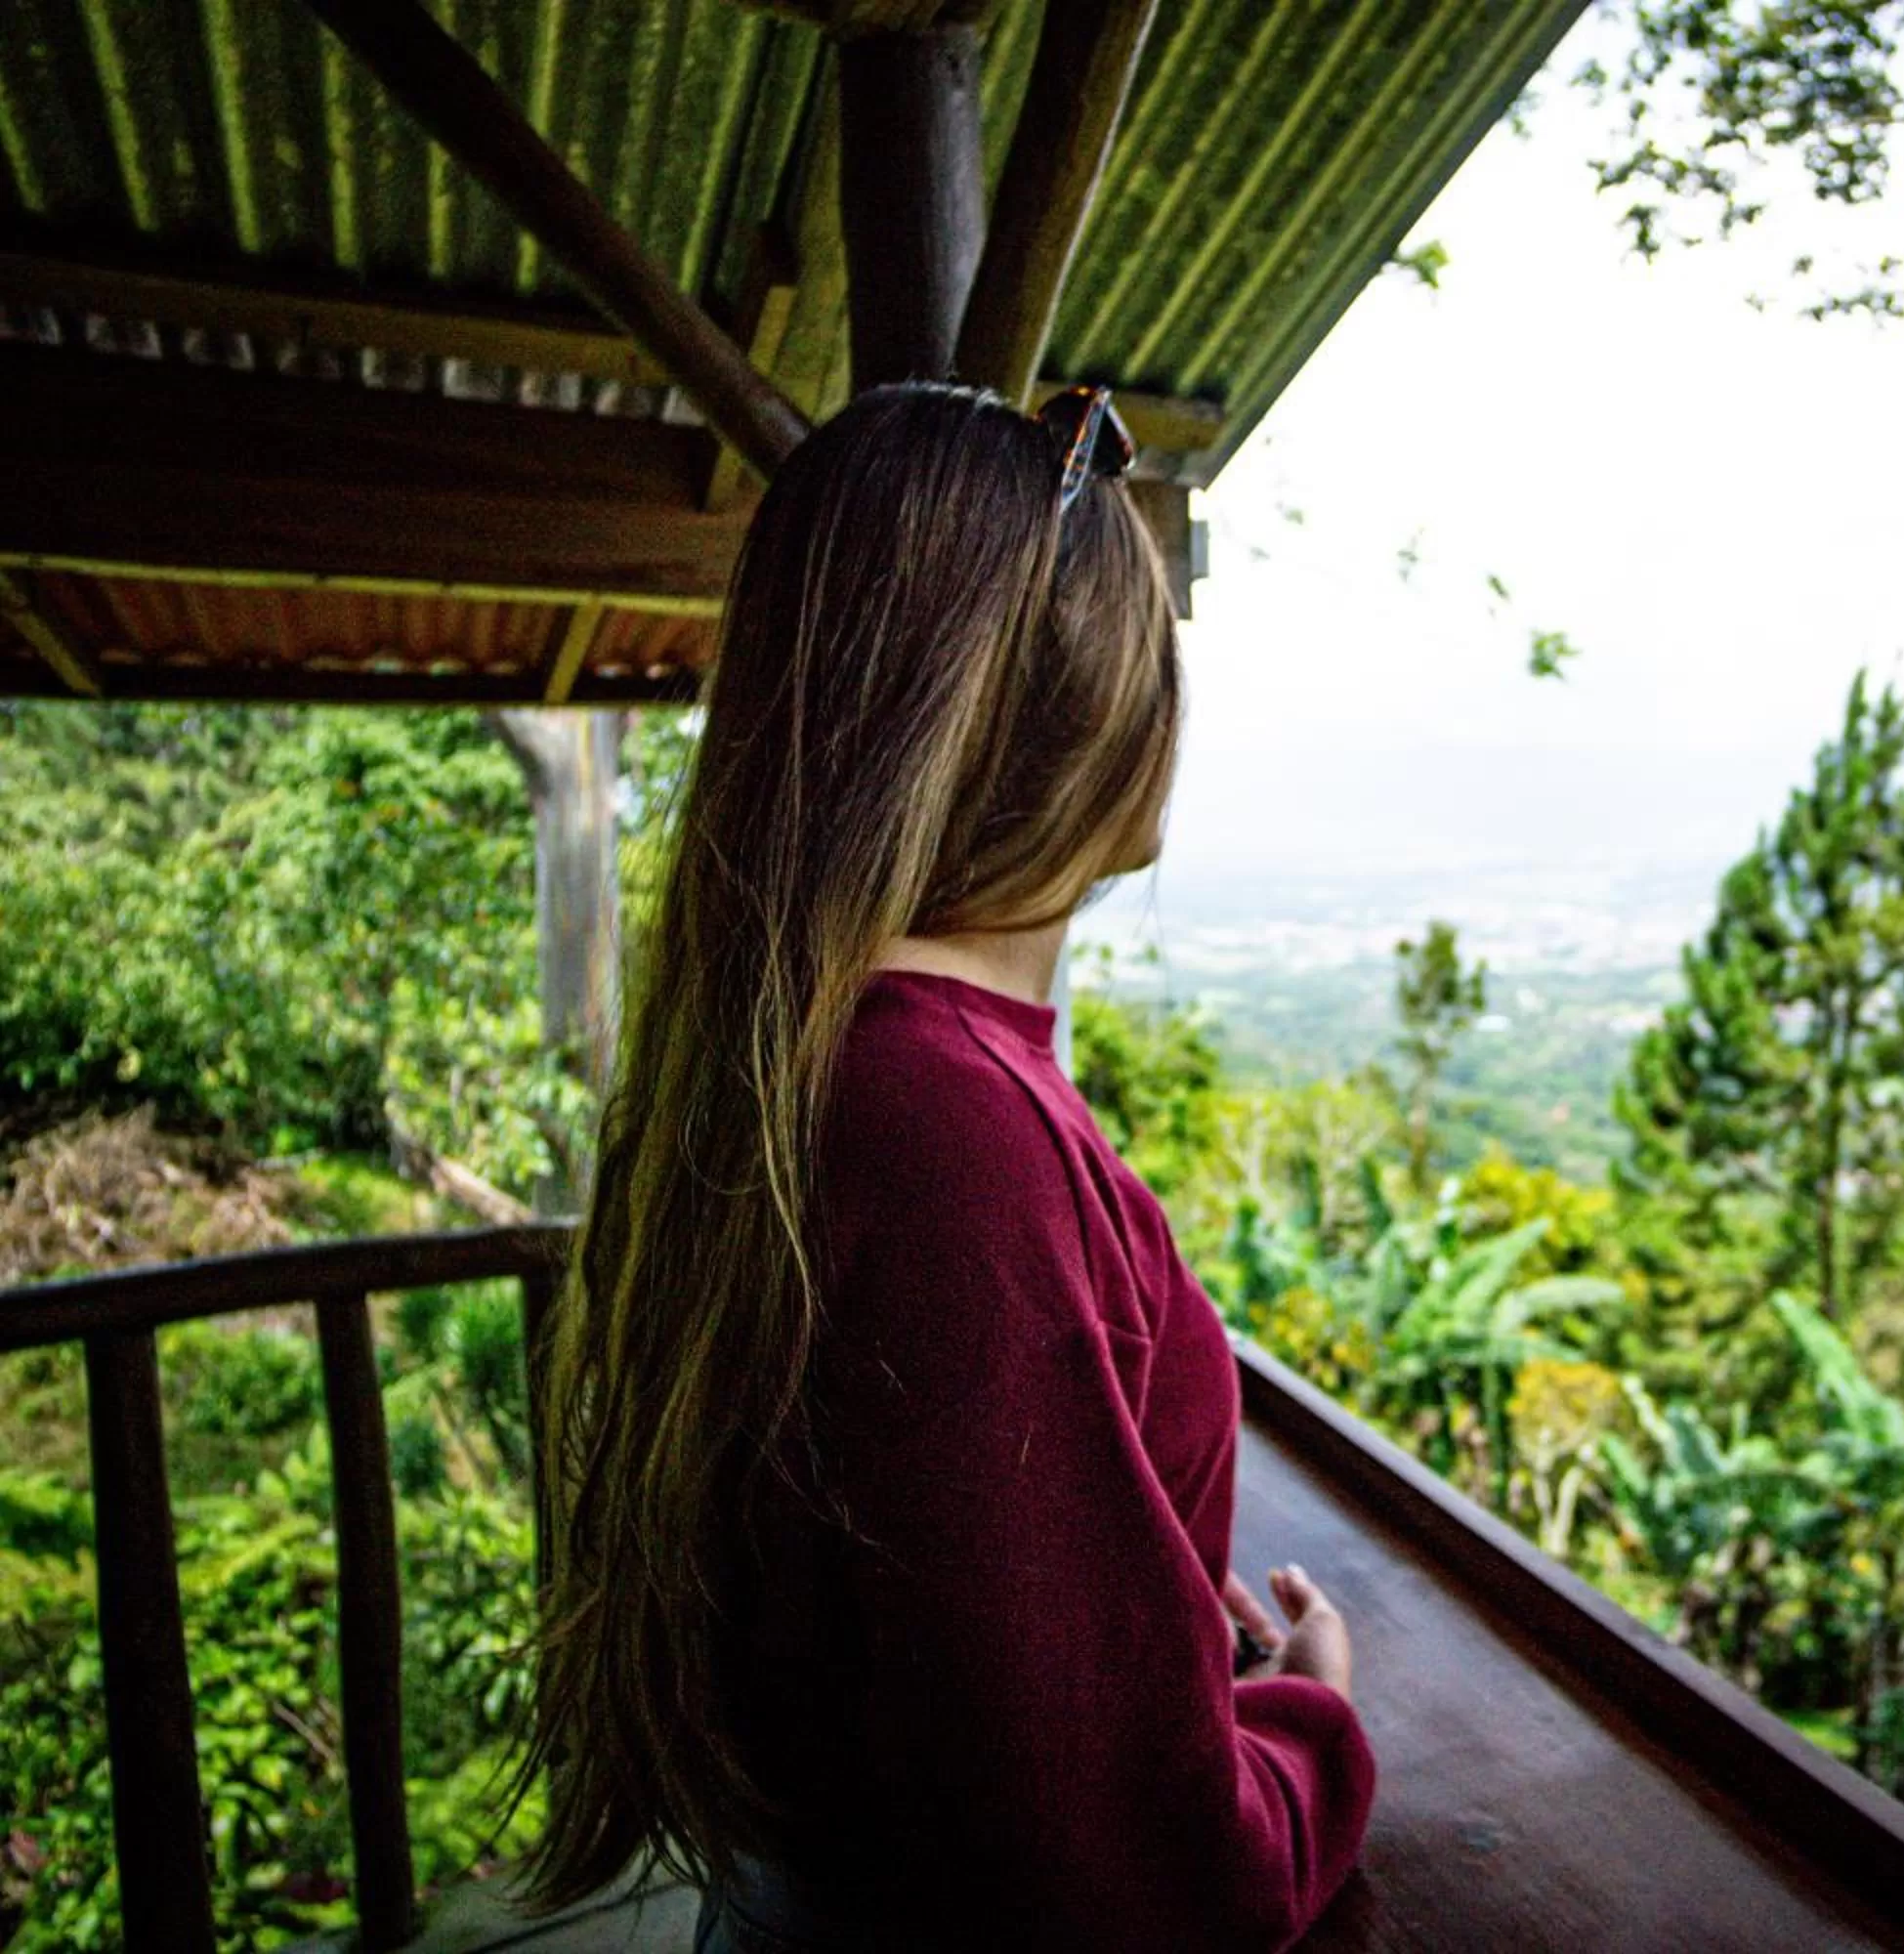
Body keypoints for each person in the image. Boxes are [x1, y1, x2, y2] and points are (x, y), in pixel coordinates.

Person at [510, 382, 1376, 1951]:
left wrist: (1165, 1663)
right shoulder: (946, 1129)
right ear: (1082, 702)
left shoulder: (844, 1055)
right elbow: (1118, 1879)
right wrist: (1304, 1731)